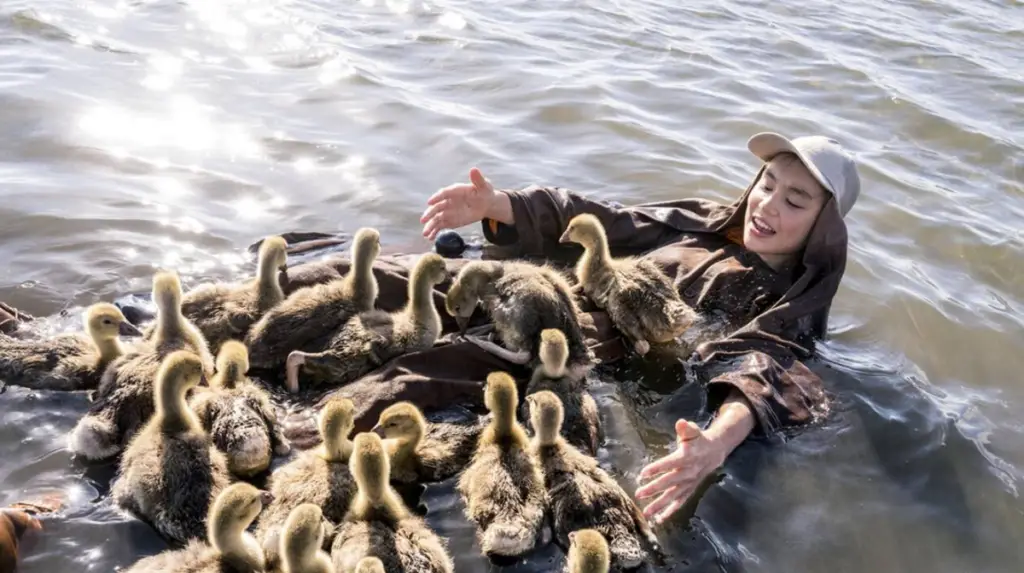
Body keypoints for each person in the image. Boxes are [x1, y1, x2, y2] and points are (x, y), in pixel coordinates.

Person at [418, 131, 859, 524]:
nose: (768, 204)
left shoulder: (789, 304)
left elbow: (768, 368)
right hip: (540, 296)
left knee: (423, 374)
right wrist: (499, 205)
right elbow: (607, 220)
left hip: (578, 347)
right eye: (766, 184)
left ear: (822, 228)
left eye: (795, 201)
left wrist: (715, 443)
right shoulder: (701, 224)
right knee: (402, 279)